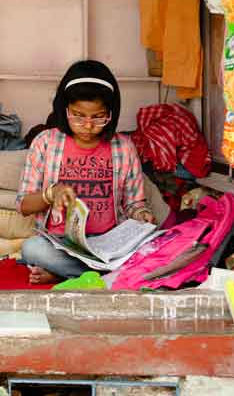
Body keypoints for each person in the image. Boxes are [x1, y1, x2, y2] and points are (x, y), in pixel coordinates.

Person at [17, 60, 153, 285]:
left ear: (111, 113)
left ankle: (65, 274)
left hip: (110, 245)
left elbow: (134, 204)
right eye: (78, 116)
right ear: (65, 109)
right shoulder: (46, 142)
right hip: (62, 244)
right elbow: (23, 205)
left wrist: (142, 216)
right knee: (32, 248)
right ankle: (107, 277)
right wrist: (51, 194)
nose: (88, 125)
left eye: (98, 117)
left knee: (156, 244)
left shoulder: (124, 147)